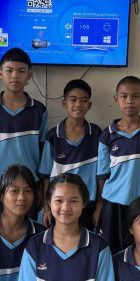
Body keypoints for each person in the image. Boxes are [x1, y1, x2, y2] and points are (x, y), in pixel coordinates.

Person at [0, 47, 47, 218]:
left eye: (21, 71)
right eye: (9, 71)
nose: (15, 75)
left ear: (29, 75)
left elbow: (42, 150)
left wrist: (41, 189)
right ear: (1, 74)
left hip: (28, 186)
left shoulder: (38, 110)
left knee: (27, 232)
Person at [97, 76, 140, 254]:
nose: (129, 101)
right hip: (114, 203)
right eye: (124, 96)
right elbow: (102, 175)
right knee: (113, 250)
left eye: (135, 96)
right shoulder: (107, 136)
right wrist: (100, 205)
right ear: (116, 99)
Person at [38, 79, 103, 230]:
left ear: (89, 105)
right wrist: (47, 208)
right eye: (73, 100)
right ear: (64, 103)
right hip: (59, 204)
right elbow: (46, 175)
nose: (78, 104)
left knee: (86, 241)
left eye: (84, 100)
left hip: (88, 204)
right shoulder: (53, 136)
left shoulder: (96, 134)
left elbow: (101, 174)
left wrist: (100, 204)